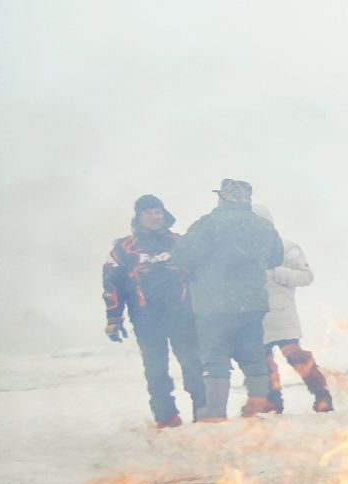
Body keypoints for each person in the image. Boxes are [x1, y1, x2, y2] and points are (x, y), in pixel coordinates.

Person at [174, 178, 285, 421]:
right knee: (254, 355)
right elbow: (277, 258)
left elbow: (181, 256)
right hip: (252, 303)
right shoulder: (263, 226)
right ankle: (256, 407)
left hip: (214, 304)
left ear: (223, 198)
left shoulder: (207, 224)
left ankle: (215, 413)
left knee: (215, 358)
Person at [101, 193, 205, 427]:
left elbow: (201, 274)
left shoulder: (180, 242)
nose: (154, 216)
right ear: (139, 217)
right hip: (146, 318)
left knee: (192, 363)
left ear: (164, 214)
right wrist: (114, 318)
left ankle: (204, 411)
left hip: (182, 315)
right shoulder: (124, 248)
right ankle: (166, 417)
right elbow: (111, 283)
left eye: (158, 211)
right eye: (148, 212)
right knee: (156, 368)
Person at [257, 206, 333, 413]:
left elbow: (306, 276)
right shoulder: (242, 250)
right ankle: (272, 403)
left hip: (282, 314)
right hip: (254, 316)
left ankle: (322, 395)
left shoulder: (286, 247)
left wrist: (276, 273)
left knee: (296, 357)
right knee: (262, 364)